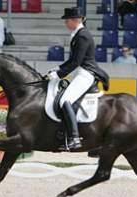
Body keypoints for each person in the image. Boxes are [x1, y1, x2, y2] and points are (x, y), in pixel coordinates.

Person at [47, 7, 109, 151]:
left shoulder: (83, 36)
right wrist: (57, 68)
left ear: (76, 20)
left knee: (65, 100)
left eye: (67, 21)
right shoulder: (77, 34)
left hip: (85, 73)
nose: (65, 23)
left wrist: (59, 74)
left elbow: (77, 62)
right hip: (78, 71)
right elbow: (72, 60)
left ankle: (74, 137)